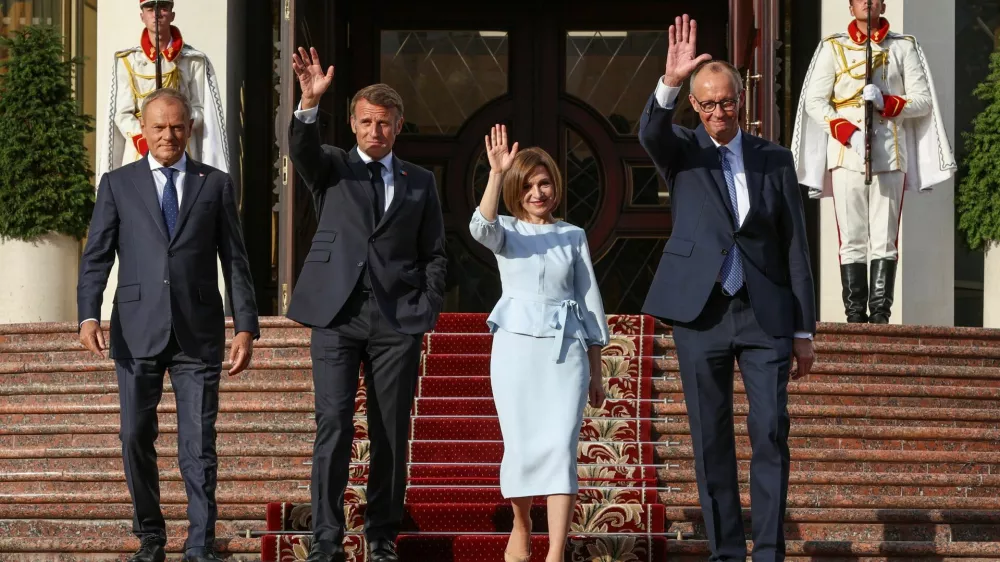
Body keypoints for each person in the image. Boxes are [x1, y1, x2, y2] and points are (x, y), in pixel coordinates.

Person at [638, 15, 816, 562]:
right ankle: (727, 553)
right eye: (709, 104)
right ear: (695, 106)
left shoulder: (774, 159)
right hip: (701, 313)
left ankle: (769, 551)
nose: (719, 112)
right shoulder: (681, 151)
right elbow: (649, 132)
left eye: (728, 102)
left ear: (742, 100)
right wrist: (670, 81)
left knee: (770, 429)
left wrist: (804, 329)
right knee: (710, 437)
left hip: (765, 313)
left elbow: (794, 245)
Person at [77, 88, 259, 562]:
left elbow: (235, 260)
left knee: (198, 444)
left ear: (190, 128)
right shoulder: (117, 184)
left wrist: (245, 326)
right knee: (134, 436)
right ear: (143, 129)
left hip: (197, 333)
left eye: (177, 126)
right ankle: (151, 534)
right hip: (136, 330)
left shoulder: (215, 184)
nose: (168, 136)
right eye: (159, 127)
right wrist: (88, 313)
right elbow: (97, 255)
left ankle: (200, 542)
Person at [287, 47, 447, 562]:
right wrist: (309, 104)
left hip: (397, 319)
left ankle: (381, 536)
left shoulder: (420, 181)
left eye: (384, 122)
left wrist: (426, 305)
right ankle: (326, 538)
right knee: (333, 423)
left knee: (390, 431)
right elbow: (302, 149)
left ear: (398, 126)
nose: (375, 130)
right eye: (366, 122)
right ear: (353, 125)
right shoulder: (332, 167)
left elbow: (435, 252)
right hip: (336, 315)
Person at [469, 125, 609, 562]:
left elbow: (589, 303)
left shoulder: (573, 235)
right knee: (522, 444)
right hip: (515, 351)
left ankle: (556, 551)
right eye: (528, 185)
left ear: (556, 185)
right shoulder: (506, 231)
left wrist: (597, 372)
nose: (537, 192)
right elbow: (480, 227)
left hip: (566, 354)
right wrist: (496, 174)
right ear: (516, 189)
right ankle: (522, 523)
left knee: (561, 446)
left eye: (544, 183)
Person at [791, 0, 956, 323]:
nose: (867, 3)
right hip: (846, 152)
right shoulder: (832, 47)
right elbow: (815, 100)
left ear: (883, 5)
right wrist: (846, 131)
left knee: (885, 238)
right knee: (851, 238)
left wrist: (887, 102)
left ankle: (880, 314)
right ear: (851, 7)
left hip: (889, 154)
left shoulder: (903, 47)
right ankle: (854, 314)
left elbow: (922, 101)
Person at [99, 0, 228, 183]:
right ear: (142, 16)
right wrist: (145, 139)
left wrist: (178, 128)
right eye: (150, 9)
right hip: (140, 151)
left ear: (172, 15)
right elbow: (122, 113)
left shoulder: (193, 60)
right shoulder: (128, 61)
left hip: (182, 149)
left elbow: (201, 109)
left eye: (163, 8)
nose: (156, 14)